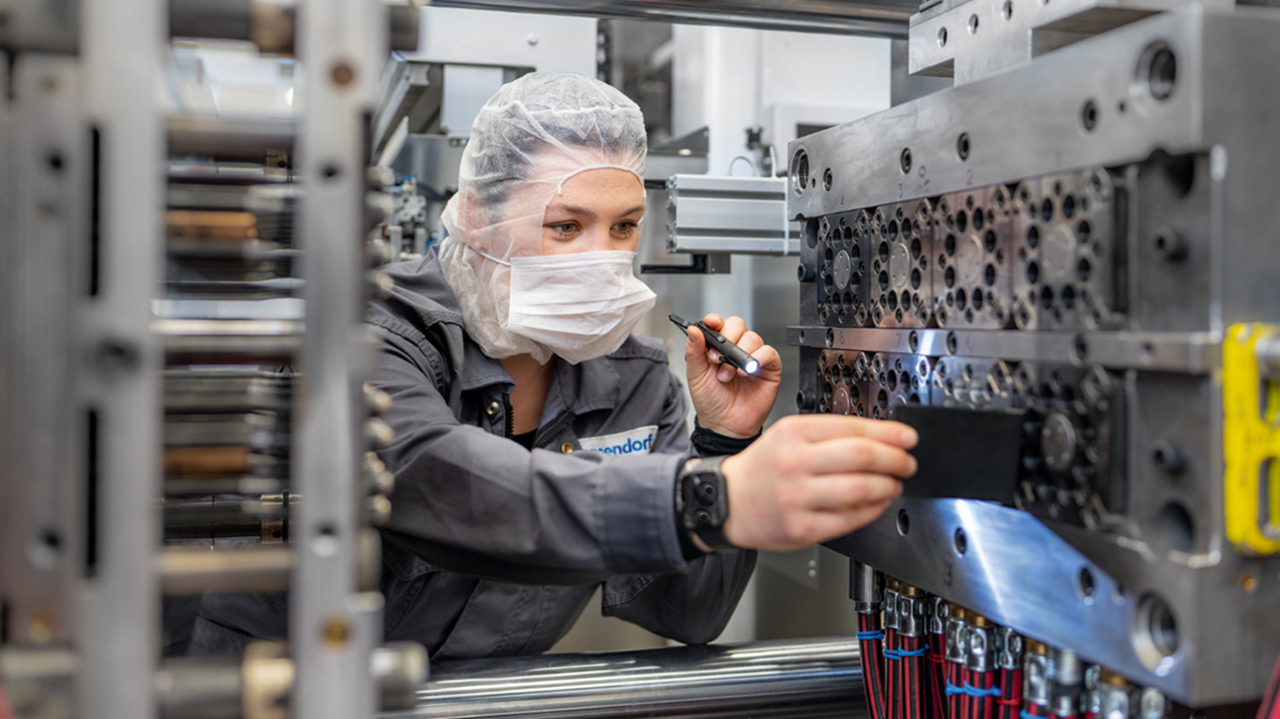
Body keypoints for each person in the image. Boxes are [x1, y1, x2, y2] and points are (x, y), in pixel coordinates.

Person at [189, 72, 917, 659]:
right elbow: (429, 477)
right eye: (565, 225)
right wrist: (708, 498)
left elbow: (689, 609)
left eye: (624, 227)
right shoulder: (369, 332)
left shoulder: (636, 379)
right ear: (476, 216)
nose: (603, 256)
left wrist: (722, 445)